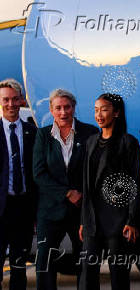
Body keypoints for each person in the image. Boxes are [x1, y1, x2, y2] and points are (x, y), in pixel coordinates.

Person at [33, 89, 98, 290]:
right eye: (58, 108)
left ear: (74, 108)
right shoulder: (43, 135)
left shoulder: (90, 133)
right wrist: (68, 193)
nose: (63, 112)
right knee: (44, 262)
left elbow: (95, 171)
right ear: (51, 110)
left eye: (67, 107)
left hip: (81, 210)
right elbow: (39, 173)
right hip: (50, 211)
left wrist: (82, 194)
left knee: (86, 262)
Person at [79, 93, 140, 290]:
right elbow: (86, 185)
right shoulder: (90, 142)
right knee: (87, 274)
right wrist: (84, 219)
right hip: (92, 219)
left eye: (104, 109)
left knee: (119, 275)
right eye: (96, 109)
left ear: (116, 113)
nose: (99, 114)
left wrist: (132, 220)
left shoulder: (127, 142)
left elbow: (134, 183)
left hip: (118, 219)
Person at [0, 79, 36, 290]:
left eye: (15, 99)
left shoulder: (32, 132)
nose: (11, 104)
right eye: (6, 99)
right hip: (1, 207)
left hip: (23, 208)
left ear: (22, 100)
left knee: (19, 265)